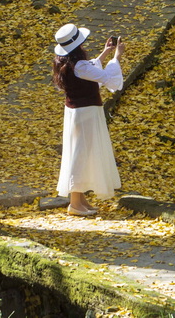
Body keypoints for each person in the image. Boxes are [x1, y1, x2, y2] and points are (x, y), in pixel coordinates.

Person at [52, 23, 125, 216]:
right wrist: (116, 57)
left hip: (78, 112)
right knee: (80, 155)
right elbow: (107, 78)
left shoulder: (67, 63)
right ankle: (75, 203)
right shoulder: (79, 66)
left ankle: (80, 200)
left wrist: (104, 54)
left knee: (80, 153)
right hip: (85, 114)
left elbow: (90, 72)